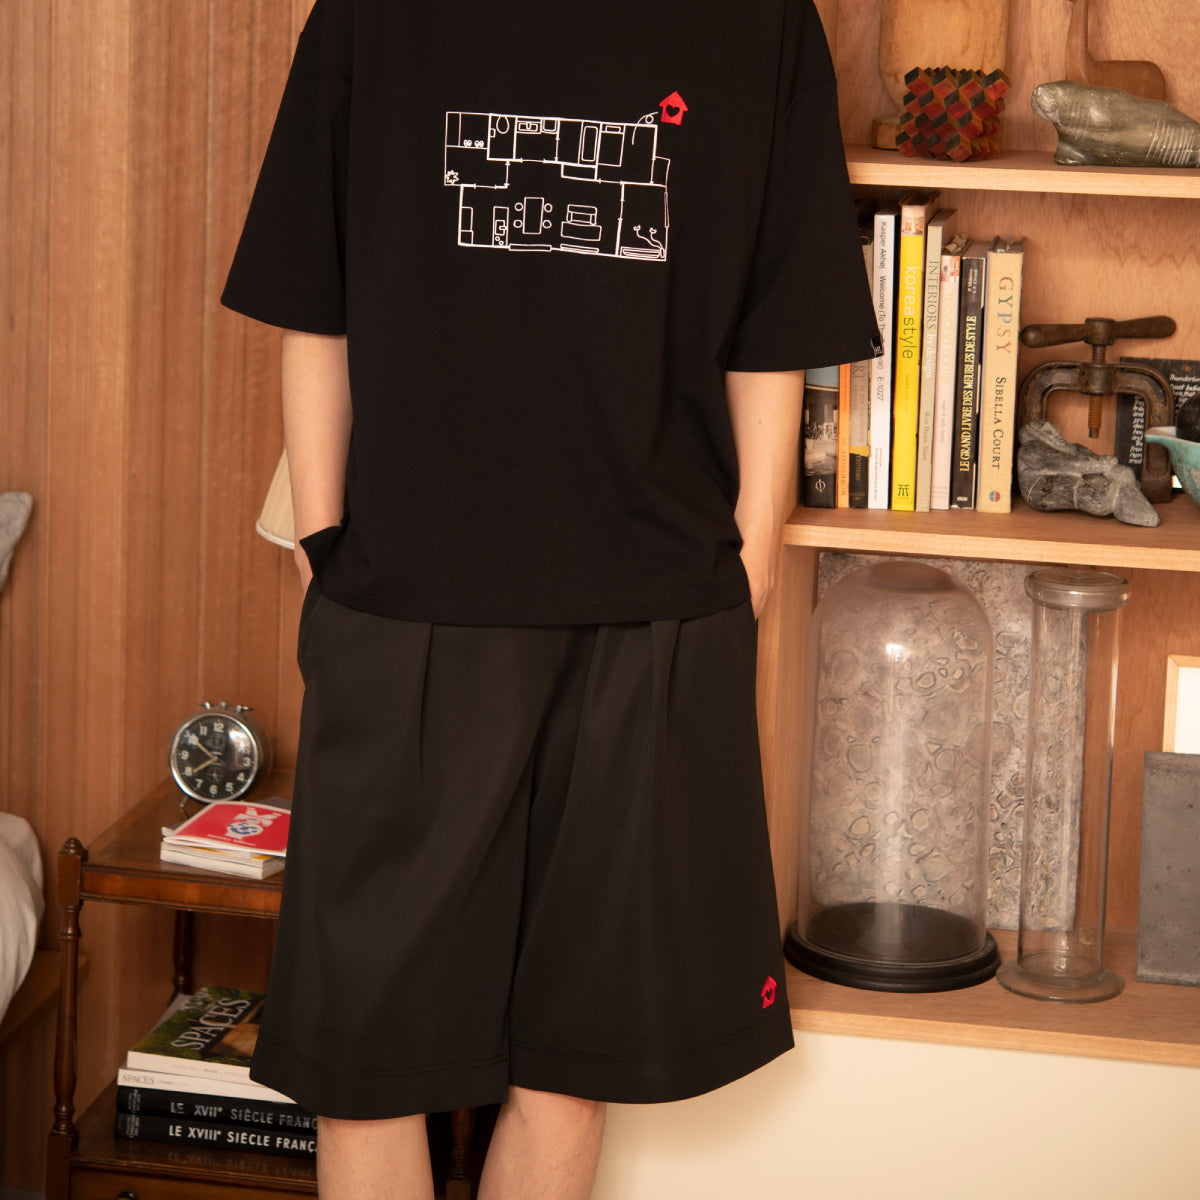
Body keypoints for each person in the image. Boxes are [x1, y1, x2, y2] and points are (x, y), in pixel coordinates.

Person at [222, 0, 880, 1194]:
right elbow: (313, 296)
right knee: (367, 1072)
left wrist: (751, 560)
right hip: (406, 601)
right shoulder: (372, 16)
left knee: (571, 1074)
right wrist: (324, 542)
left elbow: (778, 323)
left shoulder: (761, 23)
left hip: (653, 611)